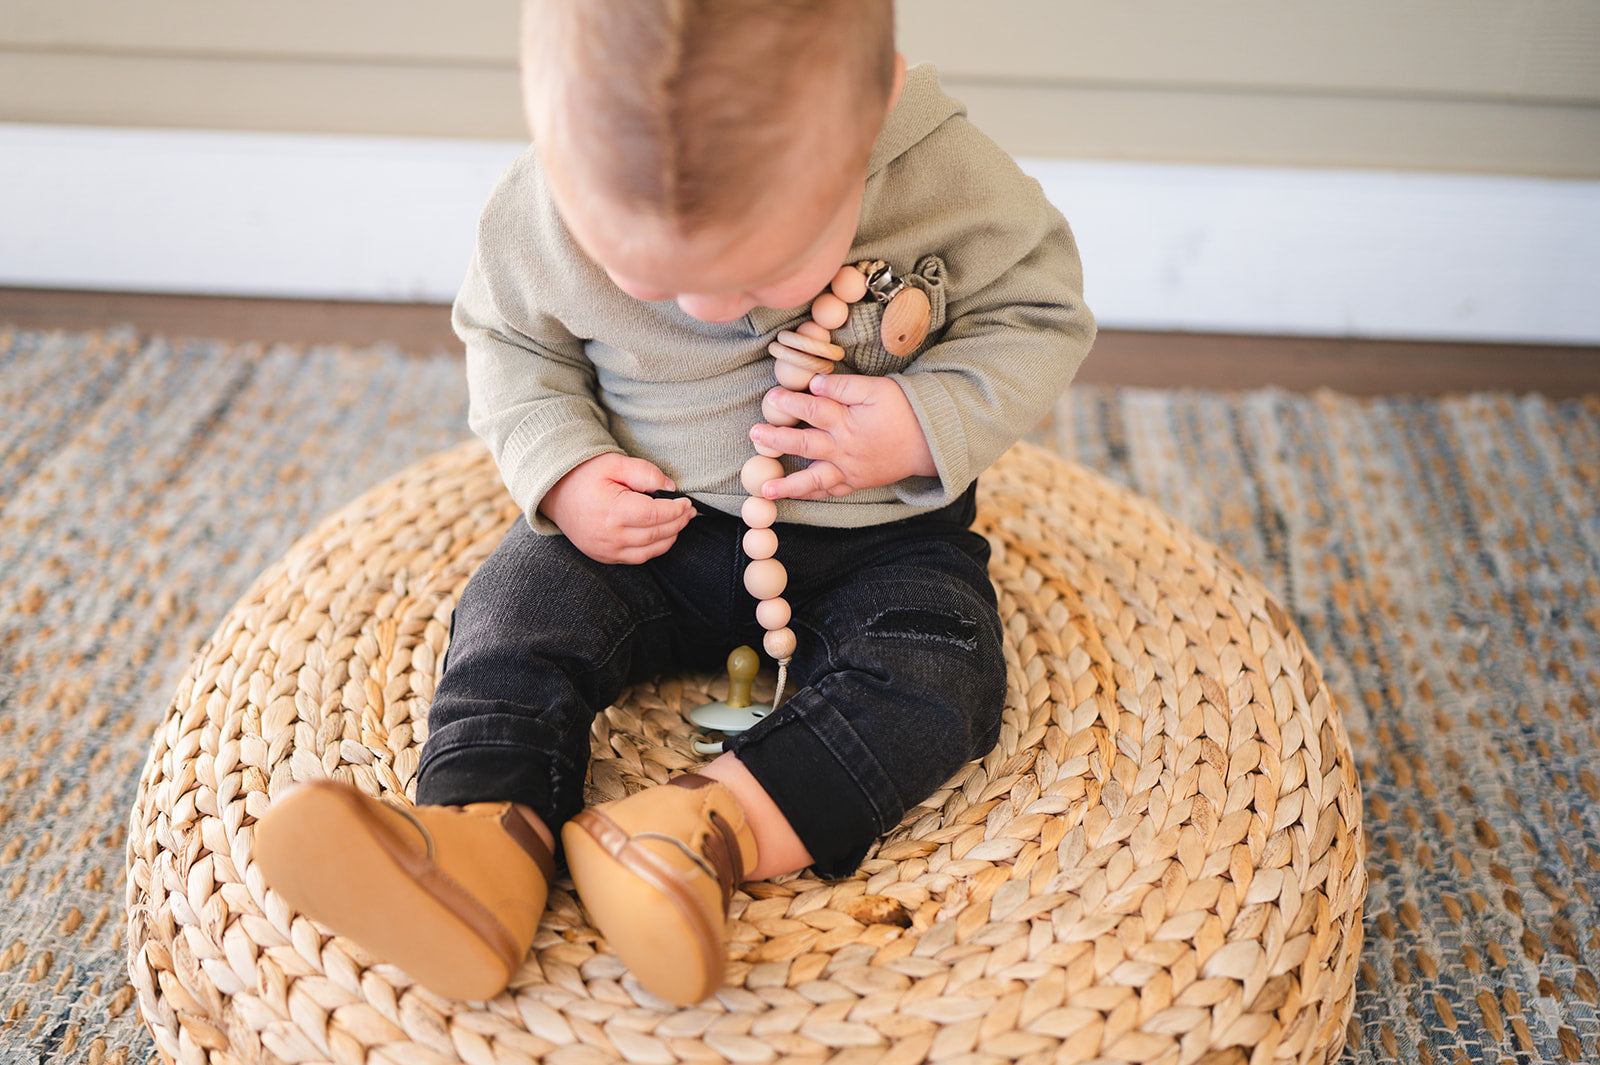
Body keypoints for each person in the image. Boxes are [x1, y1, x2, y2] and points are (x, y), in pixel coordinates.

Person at [255, 0, 1094, 1006]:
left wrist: (924, 420)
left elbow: (1040, 312)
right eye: (649, 276)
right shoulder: (545, 205)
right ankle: (482, 839)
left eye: (765, 268)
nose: (708, 308)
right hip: (652, 532)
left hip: (879, 538)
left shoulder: (945, 176)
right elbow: (513, 346)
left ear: (872, 112)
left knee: (941, 677)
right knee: (517, 609)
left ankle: (700, 828)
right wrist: (565, 473)